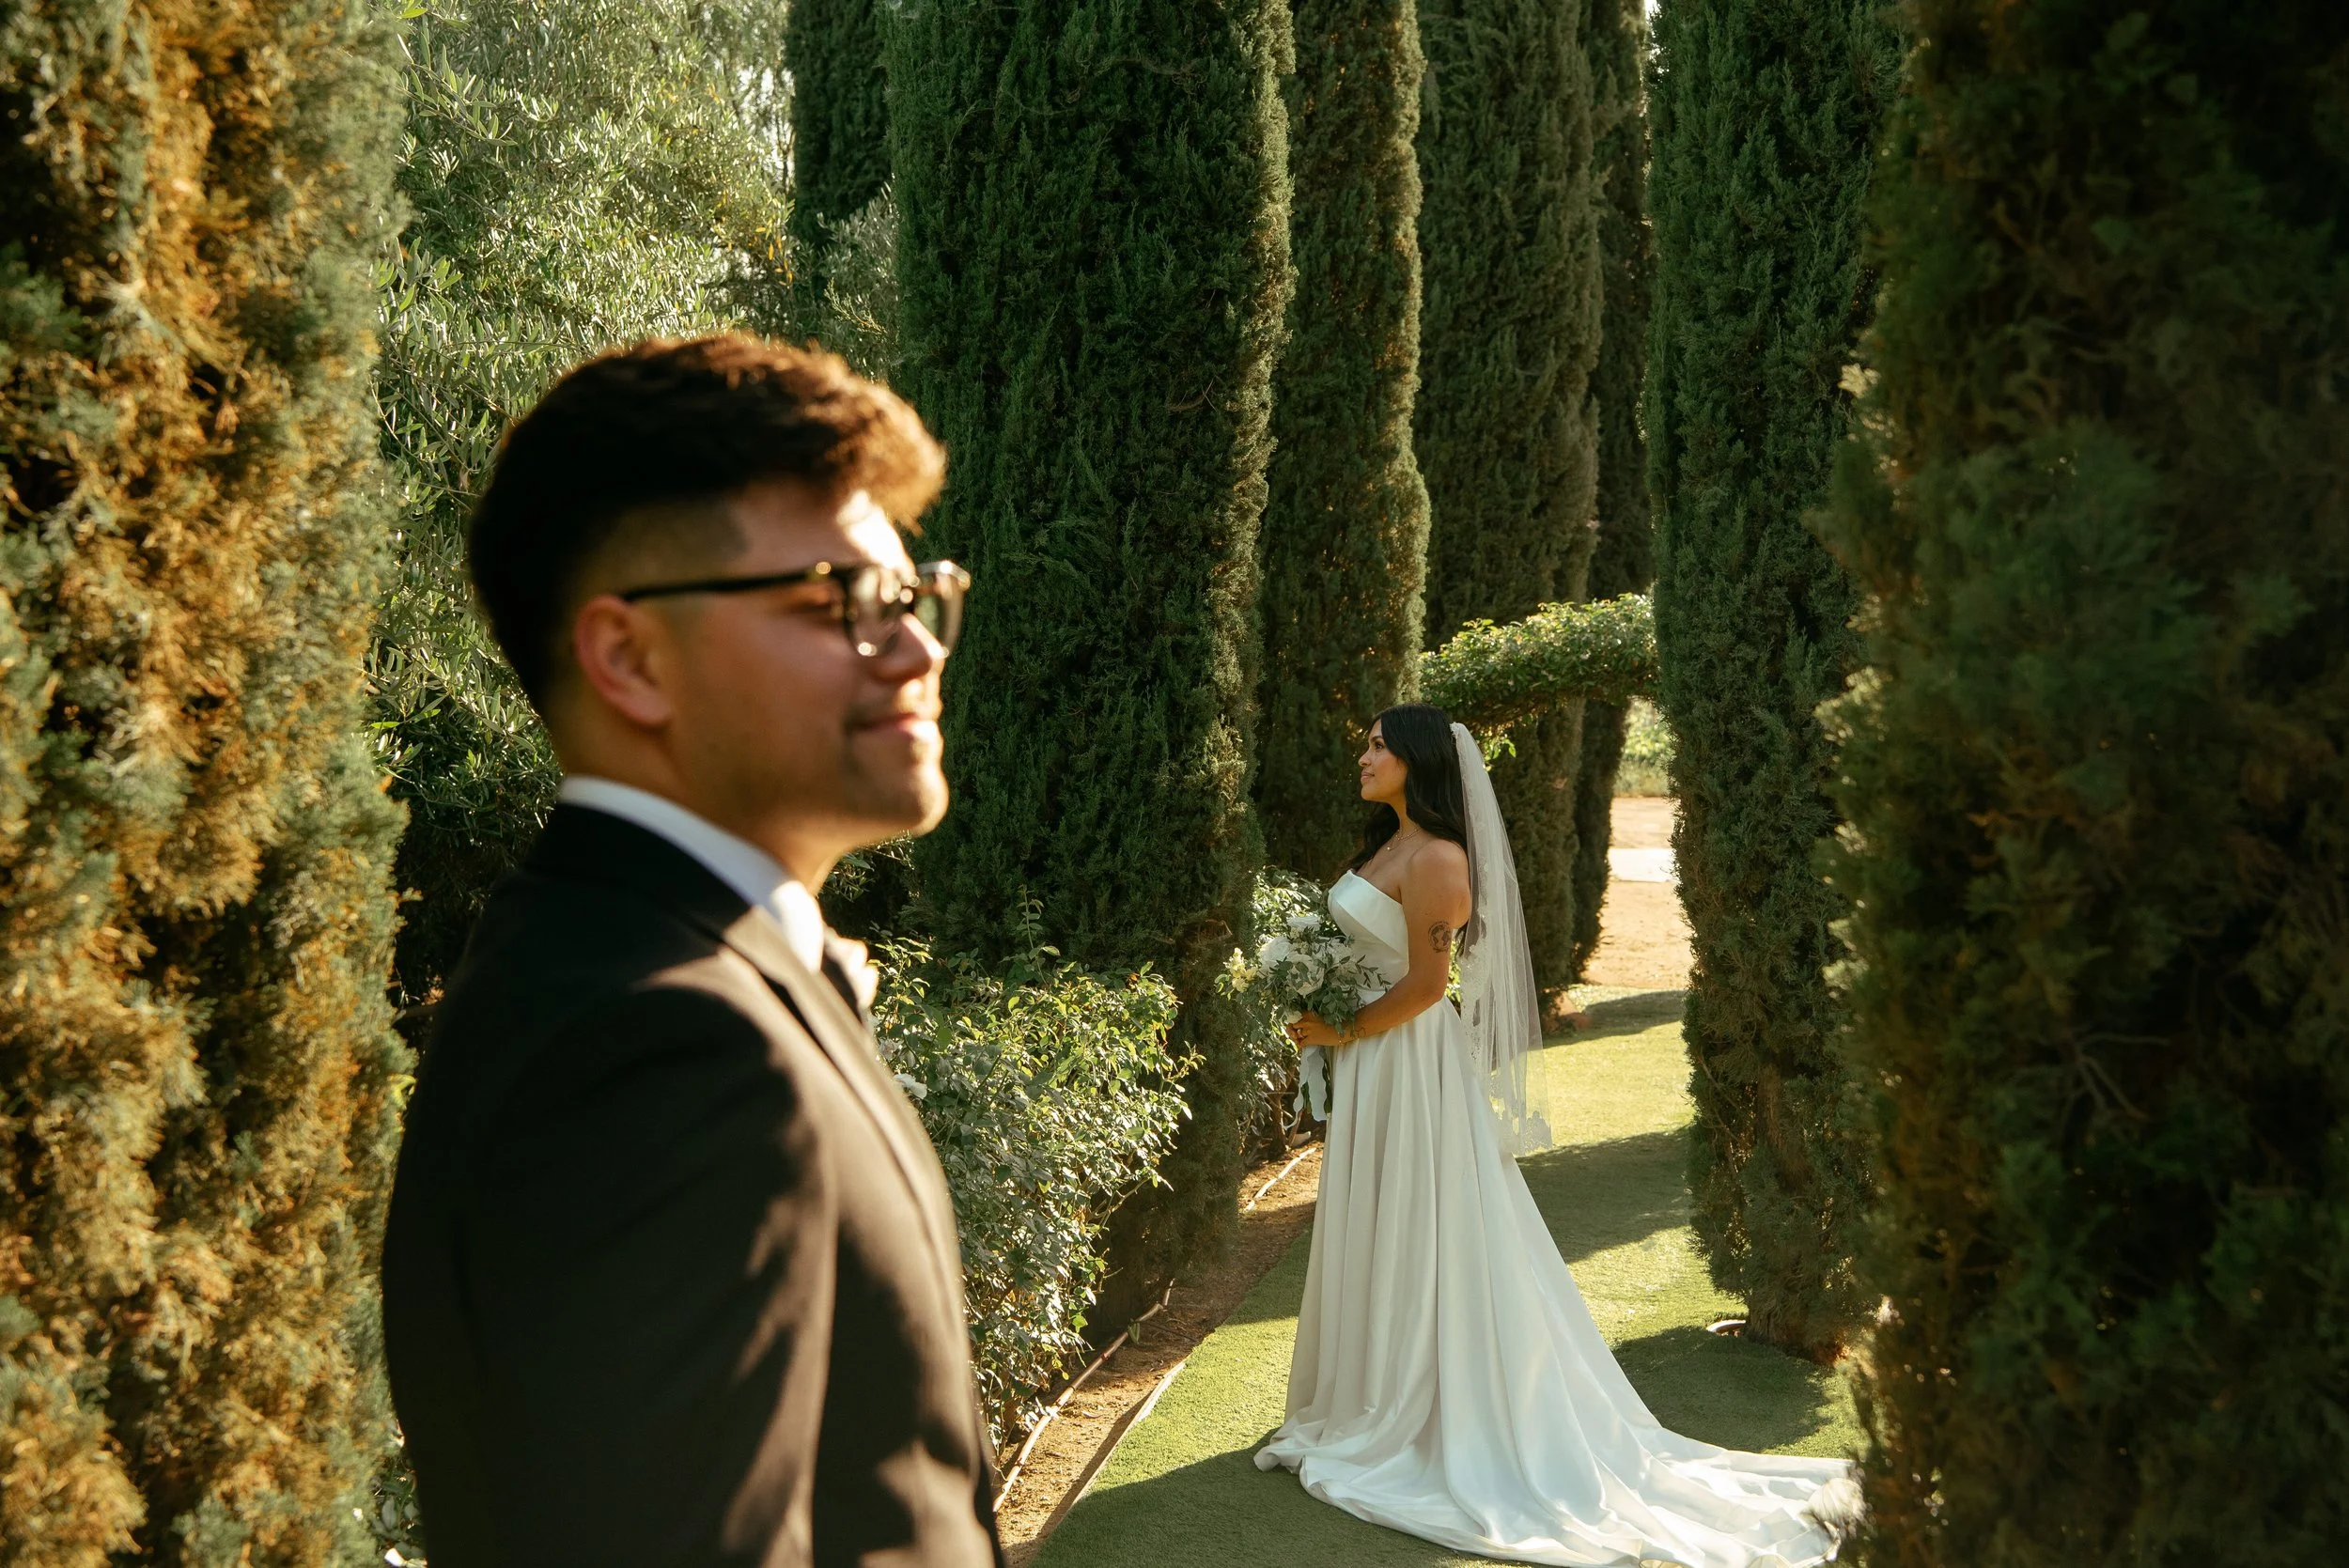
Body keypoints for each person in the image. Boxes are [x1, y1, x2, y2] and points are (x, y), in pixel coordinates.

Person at [381, 335, 1002, 1567]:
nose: (921, 651)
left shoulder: (636, 962)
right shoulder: (665, 1044)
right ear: (629, 658)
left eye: (917, 594)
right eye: (844, 600)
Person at [1256, 703, 1856, 1567]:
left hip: (1409, 1065)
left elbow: (1429, 984)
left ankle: (1423, 1406)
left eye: (1381, 744)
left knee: (1427, 1222)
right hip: (1373, 1061)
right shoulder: (1386, 844)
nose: (1364, 753)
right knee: (1381, 1215)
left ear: (1418, 760)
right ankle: (1364, 1395)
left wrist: (1342, 1029)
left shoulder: (1439, 859)